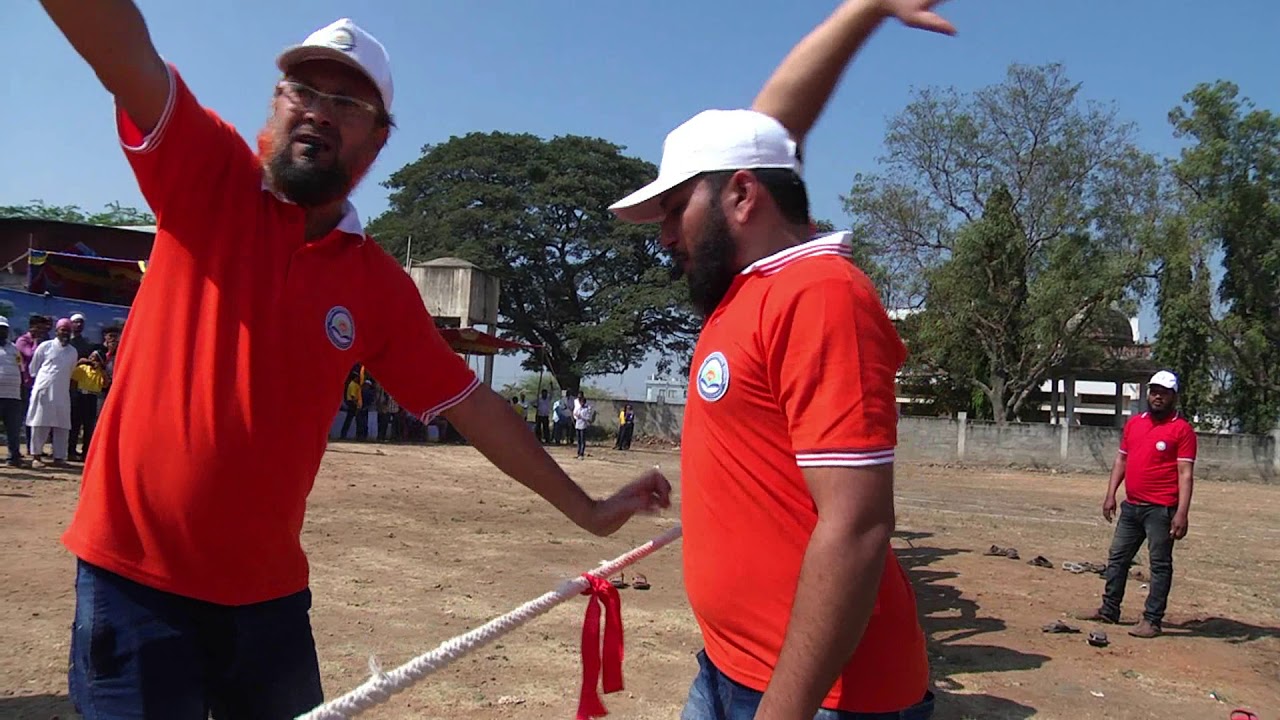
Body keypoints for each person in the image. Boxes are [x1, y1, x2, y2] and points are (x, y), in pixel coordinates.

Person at [37, 4, 670, 717]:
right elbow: (123, 53)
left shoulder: (374, 284)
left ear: (377, 138)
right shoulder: (206, 174)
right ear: (275, 106)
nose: (317, 111)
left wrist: (587, 509)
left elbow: (477, 407)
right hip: (136, 587)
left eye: (345, 102)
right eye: (301, 91)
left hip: (268, 603)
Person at [608, 1, 955, 717]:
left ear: (742, 195)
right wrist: (866, 10)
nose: (666, 234)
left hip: (822, 701)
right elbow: (766, 128)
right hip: (731, 673)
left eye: (675, 209)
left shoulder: (819, 292)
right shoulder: (751, 289)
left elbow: (858, 527)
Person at [1077, 370, 1196, 639]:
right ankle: (1109, 609)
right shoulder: (1134, 424)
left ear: (1173, 396)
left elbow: (1185, 474)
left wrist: (1182, 513)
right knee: (1117, 558)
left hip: (1161, 509)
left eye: (1163, 392)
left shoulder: (1182, 430)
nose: (1157, 396)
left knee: (1160, 565)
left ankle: (1152, 620)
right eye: (1154, 391)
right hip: (1131, 506)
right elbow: (1121, 461)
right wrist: (1110, 494)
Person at [26, 318, 79, 467]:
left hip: (62, 392)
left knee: (62, 425)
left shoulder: (72, 351)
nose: (65, 333)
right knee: (40, 422)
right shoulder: (45, 346)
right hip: (44, 390)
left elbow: (69, 372)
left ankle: (59, 458)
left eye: (68, 331)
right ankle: (36, 457)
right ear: (57, 331)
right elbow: (34, 369)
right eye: (63, 330)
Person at [0, 316, 25, 467]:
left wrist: (21, 391)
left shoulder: (14, 348)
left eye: (4, 328)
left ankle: (13, 457)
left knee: (13, 428)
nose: (2, 331)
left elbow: (21, 369)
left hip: (13, 396)